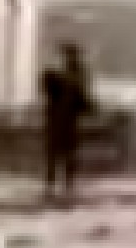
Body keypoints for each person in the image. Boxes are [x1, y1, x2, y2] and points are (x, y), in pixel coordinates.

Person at [40, 42, 95, 205]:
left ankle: (63, 186)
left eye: (72, 56)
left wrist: (87, 105)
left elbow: (83, 98)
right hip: (59, 120)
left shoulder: (78, 74)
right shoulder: (57, 75)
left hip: (66, 120)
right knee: (58, 154)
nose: (72, 59)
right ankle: (54, 186)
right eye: (70, 56)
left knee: (65, 155)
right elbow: (47, 88)